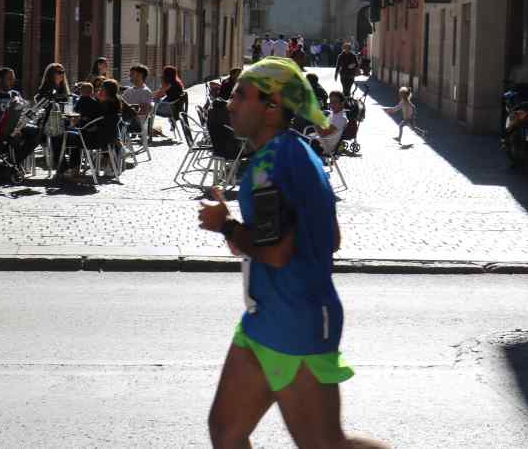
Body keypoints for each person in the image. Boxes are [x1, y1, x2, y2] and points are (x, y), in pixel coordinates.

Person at [196, 57, 387, 449]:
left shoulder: (270, 165)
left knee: (326, 445)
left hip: (295, 323)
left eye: (240, 95)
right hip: (264, 318)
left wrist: (226, 225)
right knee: (227, 434)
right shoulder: (300, 151)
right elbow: (332, 237)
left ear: (271, 107)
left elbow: (276, 253)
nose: (229, 103)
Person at [314, 90, 348, 156]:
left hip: (325, 146)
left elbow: (323, 134)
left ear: (342, 103)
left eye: (335, 102)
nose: (332, 105)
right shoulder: (334, 113)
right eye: (331, 102)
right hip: (320, 140)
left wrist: (315, 122)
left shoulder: (340, 118)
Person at [122, 64, 154, 131]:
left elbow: (144, 112)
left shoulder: (145, 92)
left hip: (135, 123)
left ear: (140, 75)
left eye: (132, 74)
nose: (129, 76)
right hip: (126, 119)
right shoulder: (128, 90)